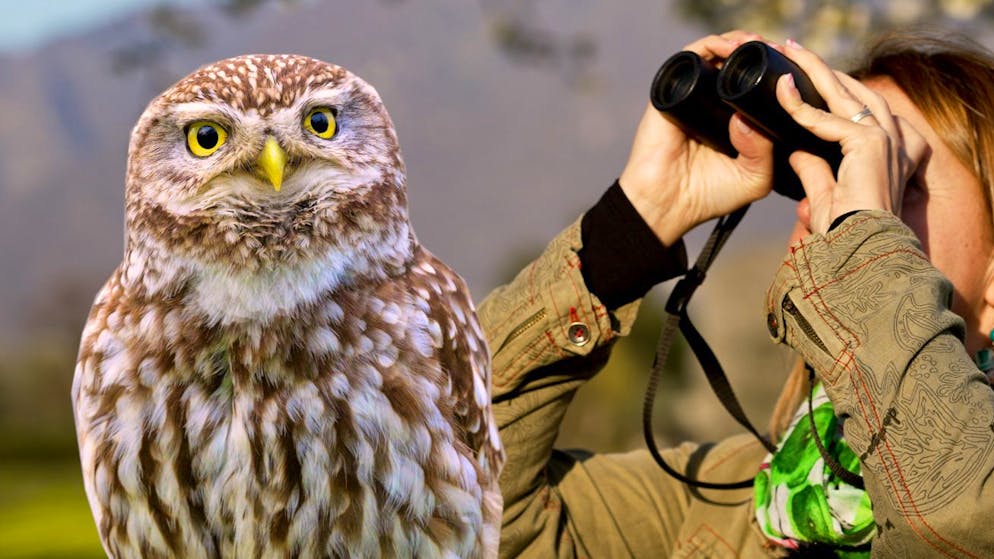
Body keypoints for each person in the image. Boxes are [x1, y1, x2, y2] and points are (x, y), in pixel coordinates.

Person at [477, 27, 994, 558]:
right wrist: (627, 234)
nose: (834, 205)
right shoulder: (726, 503)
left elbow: (956, 521)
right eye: (834, 168)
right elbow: (455, 508)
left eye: (895, 177)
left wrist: (863, 244)